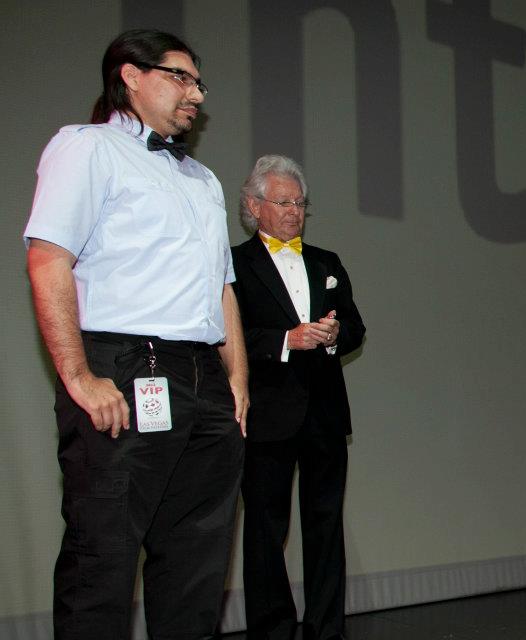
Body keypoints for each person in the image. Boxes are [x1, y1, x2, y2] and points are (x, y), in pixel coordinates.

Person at [23, 29, 248, 639]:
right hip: (127, 366)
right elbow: (48, 260)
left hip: (203, 381)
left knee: (198, 564)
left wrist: (238, 385)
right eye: (181, 77)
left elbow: (221, 288)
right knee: (104, 559)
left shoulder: (202, 179)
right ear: (130, 75)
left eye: (199, 82)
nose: (196, 94)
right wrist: (78, 376)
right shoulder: (86, 147)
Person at [231, 155, 365, 640]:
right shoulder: (234, 263)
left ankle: (326, 629)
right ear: (253, 205)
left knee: (326, 528)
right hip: (266, 416)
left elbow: (355, 326)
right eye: (282, 201)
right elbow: (230, 334)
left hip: (325, 415)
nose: (293, 211)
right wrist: (288, 339)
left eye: (300, 202)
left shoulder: (326, 262)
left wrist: (331, 335)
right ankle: (272, 631)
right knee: (266, 530)